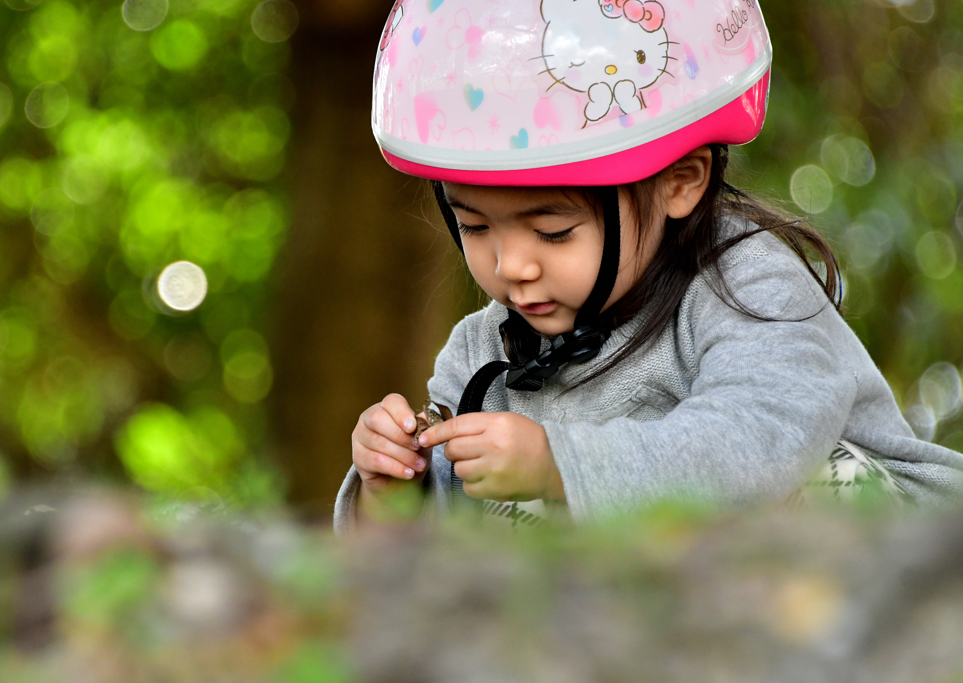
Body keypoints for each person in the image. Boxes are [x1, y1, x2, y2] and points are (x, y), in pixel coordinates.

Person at [335, 0, 963, 530]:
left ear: (679, 183)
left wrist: (559, 467)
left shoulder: (748, 287)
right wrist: (390, 485)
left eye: (553, 231)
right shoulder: (481, 355)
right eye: (474, 227)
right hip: (684, 614)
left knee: (819, 480)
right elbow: (413, 571)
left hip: (898, 553)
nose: (512, 266)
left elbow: (759, 447)